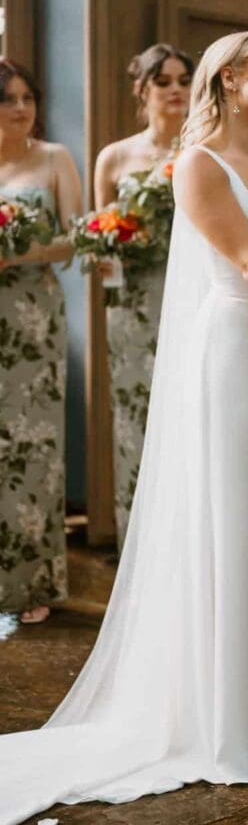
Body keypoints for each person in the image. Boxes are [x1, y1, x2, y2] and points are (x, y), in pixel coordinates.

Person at [0, 31, 248, 822]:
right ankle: (230, 719)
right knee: (233, 527)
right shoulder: (196, 166)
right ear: (227, 80)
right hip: (233, 356)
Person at [94, 43, 194, 550]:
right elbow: (100, 237)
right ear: (142, 90)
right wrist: (108, 244)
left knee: (189, 418)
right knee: (134, 421)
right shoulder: (114, 157)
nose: (175, 89)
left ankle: (186, 546)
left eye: (182, 80)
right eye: (164, 81)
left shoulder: (202, 151)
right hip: (132, 306)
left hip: (192, 300)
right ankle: (139, 548)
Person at [0, 59, 82, 625]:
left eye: (28, 96)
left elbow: (75, 239)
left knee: (33, 448)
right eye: (8, 98)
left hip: (34, 317)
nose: (21, 106)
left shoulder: (55, 159)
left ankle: (33, 582)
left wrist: (16, 253)